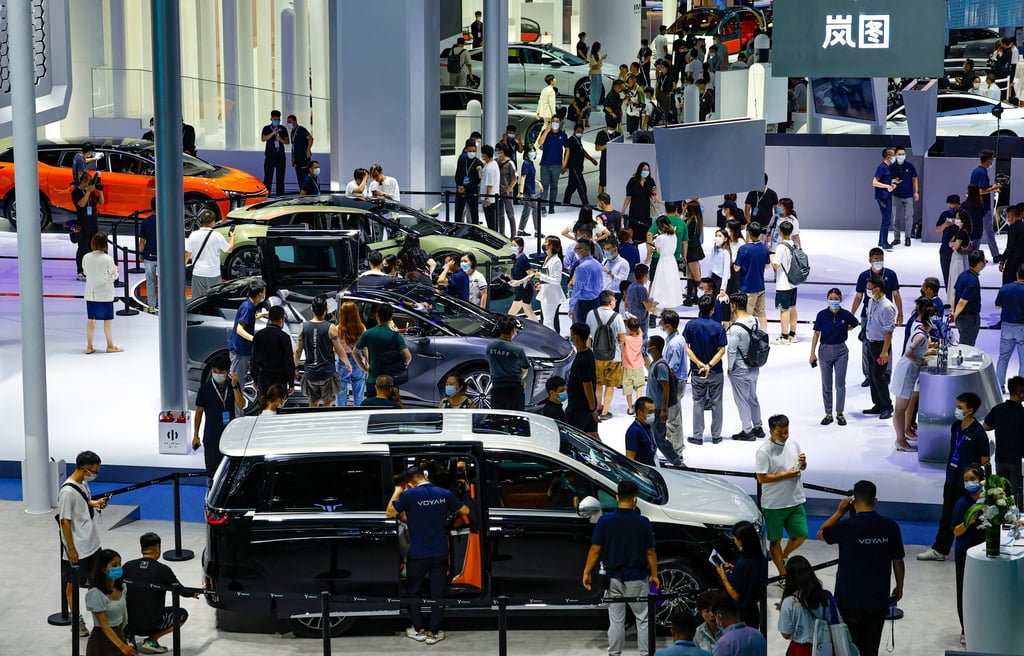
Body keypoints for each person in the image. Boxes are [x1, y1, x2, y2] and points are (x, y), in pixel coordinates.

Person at [818, 480, 906, 656]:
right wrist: (900, 586)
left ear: (853, 502)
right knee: (870, 647)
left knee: (847, 647)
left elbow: (821, 533)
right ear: (875, 501)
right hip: (877, 599)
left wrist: (840, 511)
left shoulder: (845, 527)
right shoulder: (890, 526)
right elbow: (898, 561)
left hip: (848, 599)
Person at [387, 466, 470, 645]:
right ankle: (433, 632)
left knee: (413, 592)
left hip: (417, 554)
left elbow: (390, 512)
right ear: (424, 476)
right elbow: (466, 511)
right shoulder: (444, 493)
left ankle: (419, 630)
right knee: (437, 592)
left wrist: (397, 491)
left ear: (410, 483)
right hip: (440, 552)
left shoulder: (409, 496)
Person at [582, 480, 659, 656]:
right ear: (635, 499)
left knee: (616, 621)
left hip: (613, 579)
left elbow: (595, 550)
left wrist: (587, 572)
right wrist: (654, 575)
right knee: (643, 620)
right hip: (637, 578)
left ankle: (614, 653)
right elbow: (650, 552)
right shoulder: (643, 522)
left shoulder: (605, 521)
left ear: (617, 497)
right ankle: (646, 653)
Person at [918, 392, 991, 562]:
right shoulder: (956, 427)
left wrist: (979, 486)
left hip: (968, 485)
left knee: (969, 518)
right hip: (951, 479)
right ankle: (940, 550)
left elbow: (985, 462)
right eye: (956, 406)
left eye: (960, 407)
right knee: (946, 516)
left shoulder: (979, 434)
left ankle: (972, 552)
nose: (956, 410)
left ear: (970, 411)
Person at [59, 450, 109, 638]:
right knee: (73, 585)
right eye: (94, 471)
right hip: (78, 548)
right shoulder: (66, 492)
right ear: (85, 469)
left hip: (92, 543)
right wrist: (71, 549)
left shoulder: (83, 483)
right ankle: (76, 620)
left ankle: (99, 617)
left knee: (95, 582)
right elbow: (65, 521)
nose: (95, 474)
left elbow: (85, 501)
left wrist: (95, 503)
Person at [756, 414, 808, 580]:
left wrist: (804, 463)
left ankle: (783, 557)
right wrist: (786, 475)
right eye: (780, 433)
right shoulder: (763, 452)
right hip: (773, 505)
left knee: (801, 535)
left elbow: (800, 468)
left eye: (786, 432)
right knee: (775, 542)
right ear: (771, 431)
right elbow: (762, 478)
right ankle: (783, 575)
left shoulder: (793, 443)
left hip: (795, 499)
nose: (784, 436)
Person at [123, 533, 192, 655]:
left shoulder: (128, 566)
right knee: (182, 614)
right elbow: (182, 591)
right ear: (158, 548)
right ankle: (151, 640)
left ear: (141, 548)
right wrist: (195, 593)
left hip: (129, 622)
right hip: (152, 624)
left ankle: (128, 635)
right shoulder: (162, 569)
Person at [850, 248, 904, 387]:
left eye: (881, 259)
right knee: (867, 344)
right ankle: (868, 374)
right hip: (867, 315)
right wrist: (851, 315)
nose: (879, 261)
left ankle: (886, 373)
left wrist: (900, 312)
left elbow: (896, 294)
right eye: (876, 259)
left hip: (885, 314)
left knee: (886, 342)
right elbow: (858, 296)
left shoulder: (891, 275)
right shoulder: (863, 276)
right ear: (870, 260)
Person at [891, 297, 938, 451]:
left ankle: (903, 436)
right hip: (906, 372)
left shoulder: (919, 328)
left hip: (908, 372)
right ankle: (901, 441)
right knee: (900, 409)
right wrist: (919, 361)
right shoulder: (920, 335)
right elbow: (908, 353)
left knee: (902, 408)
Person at [810, 288, 859, 427]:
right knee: (826, 384)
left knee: (840, 384)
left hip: (841, 351)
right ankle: (828, 413)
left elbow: (854, 323)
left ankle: (840, 413)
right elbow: (816, 334)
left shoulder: (845, 314)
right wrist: (812, 353)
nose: (833, 301)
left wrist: (846, 329)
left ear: (840, 299)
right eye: (830, 298)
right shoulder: (821, 315)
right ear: (827, 299)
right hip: (824, 350)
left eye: (835, 298)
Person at [685, 295, 728, 445]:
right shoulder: (718, 327)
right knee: (717, 403)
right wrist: (709, 365)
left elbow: (686, 348)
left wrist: (699, 363)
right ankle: (716, 436)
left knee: (698, 402)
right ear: (713, 310)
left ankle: (697, 436)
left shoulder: (691, 325)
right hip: (715, 371)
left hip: (697, 372)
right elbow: (722, 350)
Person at [192, 356, 244, 478]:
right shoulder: (205, 389)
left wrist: (235, 386)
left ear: (228, 372)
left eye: (221, 372)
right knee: (212, 471)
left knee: (230, 470)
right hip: (211, 435)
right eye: (215, 371)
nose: (217, 374)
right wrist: (195, 436)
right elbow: (199, 412)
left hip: (229, 434)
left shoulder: (233, 386)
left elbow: (241, 404)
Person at [951, 463, 987, 642]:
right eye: (966, 480)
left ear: (981, 479)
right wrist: (968, 522)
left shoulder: (988, 499)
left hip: (985, 551)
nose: (969, 483)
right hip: (965, 553)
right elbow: (955, 531)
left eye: (972, 479)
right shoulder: (962, 504)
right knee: (965, 591)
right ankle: (966, 629)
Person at [715, 520, 768, 630]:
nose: (733, 540)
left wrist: (723, 577)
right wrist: (735, 569)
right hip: (753, 611)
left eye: (735, 538)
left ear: (741, 540)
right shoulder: (761, 558)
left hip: (740, 615)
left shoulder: (743, 564)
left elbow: (736, 595)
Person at [294, 295, 346, 407]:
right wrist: (348, 363)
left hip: (311, 373)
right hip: (327, 373)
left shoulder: (303, 326)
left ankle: (311, 424)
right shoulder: (331, 327)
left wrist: (294, 367)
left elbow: (298, 350)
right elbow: (339, 349)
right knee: (328, 403)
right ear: (326, 310)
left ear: (311, 309)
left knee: (312, 403)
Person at [726, 293, 764, 441]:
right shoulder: (755, 320)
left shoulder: (736, 328)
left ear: (734, 305)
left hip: (740, 368)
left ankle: (747, 431)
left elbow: (731, 350)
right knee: (753, 398)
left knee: (741, 400)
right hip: (754, 366)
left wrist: (730, 368)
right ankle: (758, 427)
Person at [778, 555, 833, 656]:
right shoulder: (826, 596)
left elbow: (785, 634)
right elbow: (835, 621)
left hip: (802, 649)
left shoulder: (789, 602)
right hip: (826, 645)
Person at [85, 548, 136, 656]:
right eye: (114, 565)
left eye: (120, 564)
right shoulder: (95, 594)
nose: (119, 567)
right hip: (102, 640)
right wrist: (122, 647)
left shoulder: (122, 587)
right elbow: (104, 625)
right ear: (104, 569)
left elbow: (124, 615)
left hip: (119, 635)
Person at [354, 303, 412, 398]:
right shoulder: (396, 336)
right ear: (391, 317)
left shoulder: (368, 334)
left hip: (373, 380)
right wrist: (400, 367)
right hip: (390, 382)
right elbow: (408, 357)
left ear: (377, 315)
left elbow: (355, 353)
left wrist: (364, 368)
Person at [984, 376, 1024, 509]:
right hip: (1016, 460)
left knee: (1001, 493)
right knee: (1017, 494)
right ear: (1019, 393)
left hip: (1000, 458)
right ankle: (1017, 521)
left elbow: (986, 426)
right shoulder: (1022, 412)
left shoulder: (998, 409)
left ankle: (1002, 520)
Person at [645, 335, 685, 466]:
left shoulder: (660, 366)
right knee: (653, 435)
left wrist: (663, 409)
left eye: (649, 345)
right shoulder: (654, 364)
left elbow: (665, 388)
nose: (647, 347)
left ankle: (676, 460)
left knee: (659, 438)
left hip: (657, 409)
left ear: (654, 348)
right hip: (652, 408)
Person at [227, 280, 266, 410]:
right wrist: (253, 338)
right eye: (264, 292)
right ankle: (237, 416)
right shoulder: (247, 307)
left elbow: (248, 319)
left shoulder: (249, 306)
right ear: (260, 294)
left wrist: (262, 315)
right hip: (239, 351)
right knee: (238, 385)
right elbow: (239, 328)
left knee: (240, 384)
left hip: (243, 351)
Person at [862, 274, 897, 420]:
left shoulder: (887, 307)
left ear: (878, 289)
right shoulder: (871, 301)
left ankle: (887, 406)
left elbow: (889, 331)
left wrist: (884, 351)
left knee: (879, 377)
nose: (867, 291)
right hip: (870, 343)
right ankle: (877, 404)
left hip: (880, 346)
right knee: (872, 375)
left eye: (870, 288)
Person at [587, 290, 626, 419]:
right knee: (610, 385)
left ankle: (598, 407)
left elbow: (588, 337)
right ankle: (605, 413)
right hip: (613, 357)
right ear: (610, 302)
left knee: (598, 383)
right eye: (614, 300)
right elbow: (622, 338)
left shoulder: (591, 314)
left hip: (595, 355)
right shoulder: (617, 317)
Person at [82, 232, 123, 355]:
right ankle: (110, 345)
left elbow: (85, 272)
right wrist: (116, 270)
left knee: (91, 319)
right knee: (107, 320)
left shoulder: (86, 257)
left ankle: (89, 346)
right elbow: (114, 276)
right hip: (105, 293)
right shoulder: (108, 259)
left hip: (91, 293)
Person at [184, 210, 233, 299]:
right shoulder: (217, 236)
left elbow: (187, 254)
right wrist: (233, 237)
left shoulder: (193, 235)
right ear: (213, 222)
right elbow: (229, 250)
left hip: (198, 273)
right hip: (214, 274)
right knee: (214, 300)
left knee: (197, 300)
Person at [733, 222, 770, 331]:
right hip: (760, 286)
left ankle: (746, 336)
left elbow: (737, 268)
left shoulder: (744, 248)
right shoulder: (764, 248)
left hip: (747, 287)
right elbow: (767, 266)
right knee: (761, 313)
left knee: (745, 314)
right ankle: (764, 334)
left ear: (748, 232)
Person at [566, 322, 601, 439]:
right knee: (593, 436)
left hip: (579, 407)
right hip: (588, 405)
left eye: (571, 334)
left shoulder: (581, 360)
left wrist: (592, 409)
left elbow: (588, 386)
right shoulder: (589, 354)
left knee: (574, 436)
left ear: (575, 336)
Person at [486, 315, 528, 411]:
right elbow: (524, 369)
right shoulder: (518, 349)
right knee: (516, 419)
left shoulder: (490, 346)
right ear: (513, 330)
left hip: (497, 389)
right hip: (514, 390)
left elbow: (489, 361)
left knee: (497, 418)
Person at [252, 305, 294, 399]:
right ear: (282, 319)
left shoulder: (258, 335)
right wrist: (291, 382)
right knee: (277, 404)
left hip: (263, 376)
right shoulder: (284, 337)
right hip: (279, 378)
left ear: (269, 318)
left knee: (264, 404)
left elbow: (254, 358)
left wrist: (255, 378)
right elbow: (288, 361)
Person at [969, 149, 1002, 261]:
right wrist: (993, 188)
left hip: (977, 206)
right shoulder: (982, 172)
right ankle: (996, 255)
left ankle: (974, 255)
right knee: (988, 231)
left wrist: (992, 186)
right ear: (988, 161)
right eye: (992, 160)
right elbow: (981, 191)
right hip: (982, 206)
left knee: (978, 231)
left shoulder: (976, 171)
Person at [771, 220, 800, 344]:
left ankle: (784, 337)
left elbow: (776, 266)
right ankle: (793, 334)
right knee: (793, 307)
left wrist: (771, 257)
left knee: (784, 309)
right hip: (794, 282)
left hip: (783, 283)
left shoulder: (781, 247)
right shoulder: (795, 244)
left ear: (780, 232)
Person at [951, 250, 987, 346]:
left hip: (961, 317)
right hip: (968, 319)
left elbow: (954, 293)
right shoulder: (973, 280)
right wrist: (955, 315)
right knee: (966, 347)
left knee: (964, 342)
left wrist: (953, 311)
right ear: (980, 263)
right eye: (985, 261)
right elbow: (963, 301)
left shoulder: (963, 275)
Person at [335, 301, 367, 407]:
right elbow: (365, 348)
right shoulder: (362, 328)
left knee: (340, 392)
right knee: (359, 393)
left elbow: (335, 349)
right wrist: (367, 362)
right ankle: (359, 414)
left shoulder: (337, 329)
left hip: (342, 360)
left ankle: (341, 416)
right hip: (358, 358)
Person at [648, 216, 684, 309]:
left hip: (663, 261)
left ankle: (654, 308)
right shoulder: (674, 236)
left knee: (660, 284)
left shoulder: (660, 238)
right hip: (671, 261)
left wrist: (654, 249)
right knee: (670, 284)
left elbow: (659, 251)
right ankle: (669, 307)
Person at [534, 236, 566, 333]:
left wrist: (541, 276)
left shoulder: (556, 261)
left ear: (551, 246)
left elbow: (557, 280)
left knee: (548, 322)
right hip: (546, 293)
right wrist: (541, 284)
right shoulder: (548, 258)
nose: (544, 244)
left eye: (546, 243)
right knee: (546, 322)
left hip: (552, 296)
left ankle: (553, 342)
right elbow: (547, 274)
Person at [569, 240, 604, 324]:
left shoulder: (582, 267)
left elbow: (577, 290)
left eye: (576, 249)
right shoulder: (598, 264)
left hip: (583, 304)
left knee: (582, 332)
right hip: (596, 301)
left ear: (582, 250)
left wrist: (571, 307)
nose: (575, 252)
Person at [537, 116, 567, 214]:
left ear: (560, 123)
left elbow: (567, 149)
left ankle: (551, 206)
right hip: (545, 164)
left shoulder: (563, 135)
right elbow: (540, 143)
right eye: (553, 121)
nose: (555, 123)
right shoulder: (546, 133)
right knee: (544, 186)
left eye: (557, 121)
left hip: (557, 165)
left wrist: (565, 163)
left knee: (554, 186)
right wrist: (546, 131)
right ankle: (542, 206)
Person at [890, 147, 919, 247]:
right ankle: (896, 238)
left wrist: (916, 192)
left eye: (903, 154)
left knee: (909, 217)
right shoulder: (892, 167)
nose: (901, 156)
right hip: (896, 195)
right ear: (896, 155)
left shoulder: (910, 166)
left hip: (908, 196)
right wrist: (893, 181)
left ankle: (907, 238)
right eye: (899, 154)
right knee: (896, 218)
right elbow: (888, 179)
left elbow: (915, 179)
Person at [622, 161, 660, 237]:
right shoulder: (633, 181)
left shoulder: (650, 181)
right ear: (640, 170)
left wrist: (656, 193)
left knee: (645, 229)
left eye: (647, 170)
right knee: (634, 228)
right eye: (644, 169)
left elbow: (653, 196)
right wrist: (623, 211)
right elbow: (628, 197)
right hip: (635, 209)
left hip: (646, 210)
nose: (646, 171)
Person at [563, 124, 597, 207]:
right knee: (581, 184)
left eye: (581, 132)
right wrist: (564, 166)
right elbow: (566, 153)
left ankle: (566, 201)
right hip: (573, 167)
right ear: (574, 131)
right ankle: (585, 203)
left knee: (572, 186)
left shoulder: (578, 141)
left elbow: (582, 151)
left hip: (578, 167)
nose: (580, 133)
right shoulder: (571, 140)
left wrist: (591, 159)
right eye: (578, 132)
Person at [871, 147, 897, 250]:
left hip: (887, 196)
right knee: (887, 220)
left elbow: (887, 180)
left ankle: (881, 241)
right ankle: (885, 243)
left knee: (885, 219)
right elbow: (874, 182)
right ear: (888, 156)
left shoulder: (888, 167)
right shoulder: (881, 167)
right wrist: (887, 186)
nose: (895, 157)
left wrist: (893, 184)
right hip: (883, 197)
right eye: (893, 155)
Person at [946, 208, 974, 299]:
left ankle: (955, 301)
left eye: (958, 218)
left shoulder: (961, 232)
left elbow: (955, 247)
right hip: (962, 258)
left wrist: (951, 245)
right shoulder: (965, 230)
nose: (956, 220)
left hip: (958, 259)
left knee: (956, 280)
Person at [621, 317, 647, 414]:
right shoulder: (640, 337)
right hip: (639, 366)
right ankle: (638, 406)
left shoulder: (626, 339)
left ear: (628, 328)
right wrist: (637, 321)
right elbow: (640, 331)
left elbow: (620, 337)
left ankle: (630, 408)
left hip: (627, 366)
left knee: (628, 388)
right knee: (639, 386)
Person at [936, 194, 963, 289]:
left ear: (958, 205)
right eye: (950, 205)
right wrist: (945, 224)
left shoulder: (963, 214)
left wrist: (957, 221)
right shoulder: (944, 214)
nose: (952, 208)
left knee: (958, 275)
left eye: (954, 206)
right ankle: (949, 296)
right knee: (946, 274)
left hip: (959, 248)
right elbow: (938, 229)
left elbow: (967, 227)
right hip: (945, 248)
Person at [454, 139, 483, 225]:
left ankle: (474, 232)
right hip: (460, 191)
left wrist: (465, 188)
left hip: (472, 191)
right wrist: (459, 186)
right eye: (470, 151)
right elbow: (457, 174)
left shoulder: (479, 163)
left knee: (473, 214)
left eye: (474, 151)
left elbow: (478, 180)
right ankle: (458, 230)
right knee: (459, 213)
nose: (472, 152)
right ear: (466, 149)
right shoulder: (462, 160)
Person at [260, 110, 289, 196]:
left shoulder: (283, 128)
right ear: (271, 119)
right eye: (275, 119)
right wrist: (273, 133)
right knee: (268, 177)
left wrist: (281, 139)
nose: (276, 121)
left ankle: (280, 195)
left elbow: (287, 141)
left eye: (278, 120)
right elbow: (263, 138)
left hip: (280, 157)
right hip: (270, 157)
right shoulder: (266, 128)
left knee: (280, 178)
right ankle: (267, 195)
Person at [623, 397, 658, 466]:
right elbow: (630, 459)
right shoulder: (634, 431)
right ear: (639, 412)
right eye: (650, 412)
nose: (653, 415)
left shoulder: (648, 426)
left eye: (654, 411)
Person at [137, 200, 158, 310]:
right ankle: (166, 302)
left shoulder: (146, 221)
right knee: (165, 281)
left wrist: (140, 253)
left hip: (149, 255)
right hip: (164, 257)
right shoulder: (166, 220)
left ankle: (151, 304)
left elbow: (142, 241)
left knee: (150, 282)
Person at [517, 144, 542, 235]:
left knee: (526, 210)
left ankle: (520, 230)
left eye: (533, 151)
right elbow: (523, 178)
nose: (533, 153)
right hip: (528, 191)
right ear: (526, 153)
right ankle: (537, 231)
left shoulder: (530, 162)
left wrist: (538, 182)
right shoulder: (526, 163)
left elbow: (529, 177)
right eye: (530, 151)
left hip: (530, 189)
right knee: (536, 209)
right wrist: (521, 192)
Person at [479, 144, 501, 233]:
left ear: (486, 155)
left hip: (490, 200)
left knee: (491, 224)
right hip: (493, 198)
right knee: (493, 223)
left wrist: (486, 199)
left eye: (483, 155)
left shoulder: (490, 168)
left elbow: (489, 185)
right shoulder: (493, 164)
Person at [1001, 203, 1024, 285]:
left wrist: (1002, 260)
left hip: (1013, 262)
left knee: (1008, 285)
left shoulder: (1013, 227)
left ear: (1011, 216)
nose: (1007, 218)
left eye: (1007, 216)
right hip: (1022, 263)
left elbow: (1010, 246)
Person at [709, 228, 732, 298]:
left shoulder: (725, 253)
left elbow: (726, 271)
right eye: (716, 236)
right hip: (713, 277)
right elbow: (711, 265)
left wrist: (723, 287)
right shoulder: (714, 249)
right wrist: (708, 280)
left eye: (720, 236)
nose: (717, 238)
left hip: (721, 279)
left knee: (718, 302)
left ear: (725, 239)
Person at [588, 42, 608, 115]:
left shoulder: (597, 55)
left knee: (598, 90)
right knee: (594, 90)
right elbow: (595, 66)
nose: (600, 48)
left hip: (599, 73)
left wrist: (601, 59)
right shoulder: (592, 56)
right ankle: (593, 106)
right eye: (599, 47)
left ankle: (595, 105)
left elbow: (599, 65)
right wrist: (602, 59)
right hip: (594, 74)